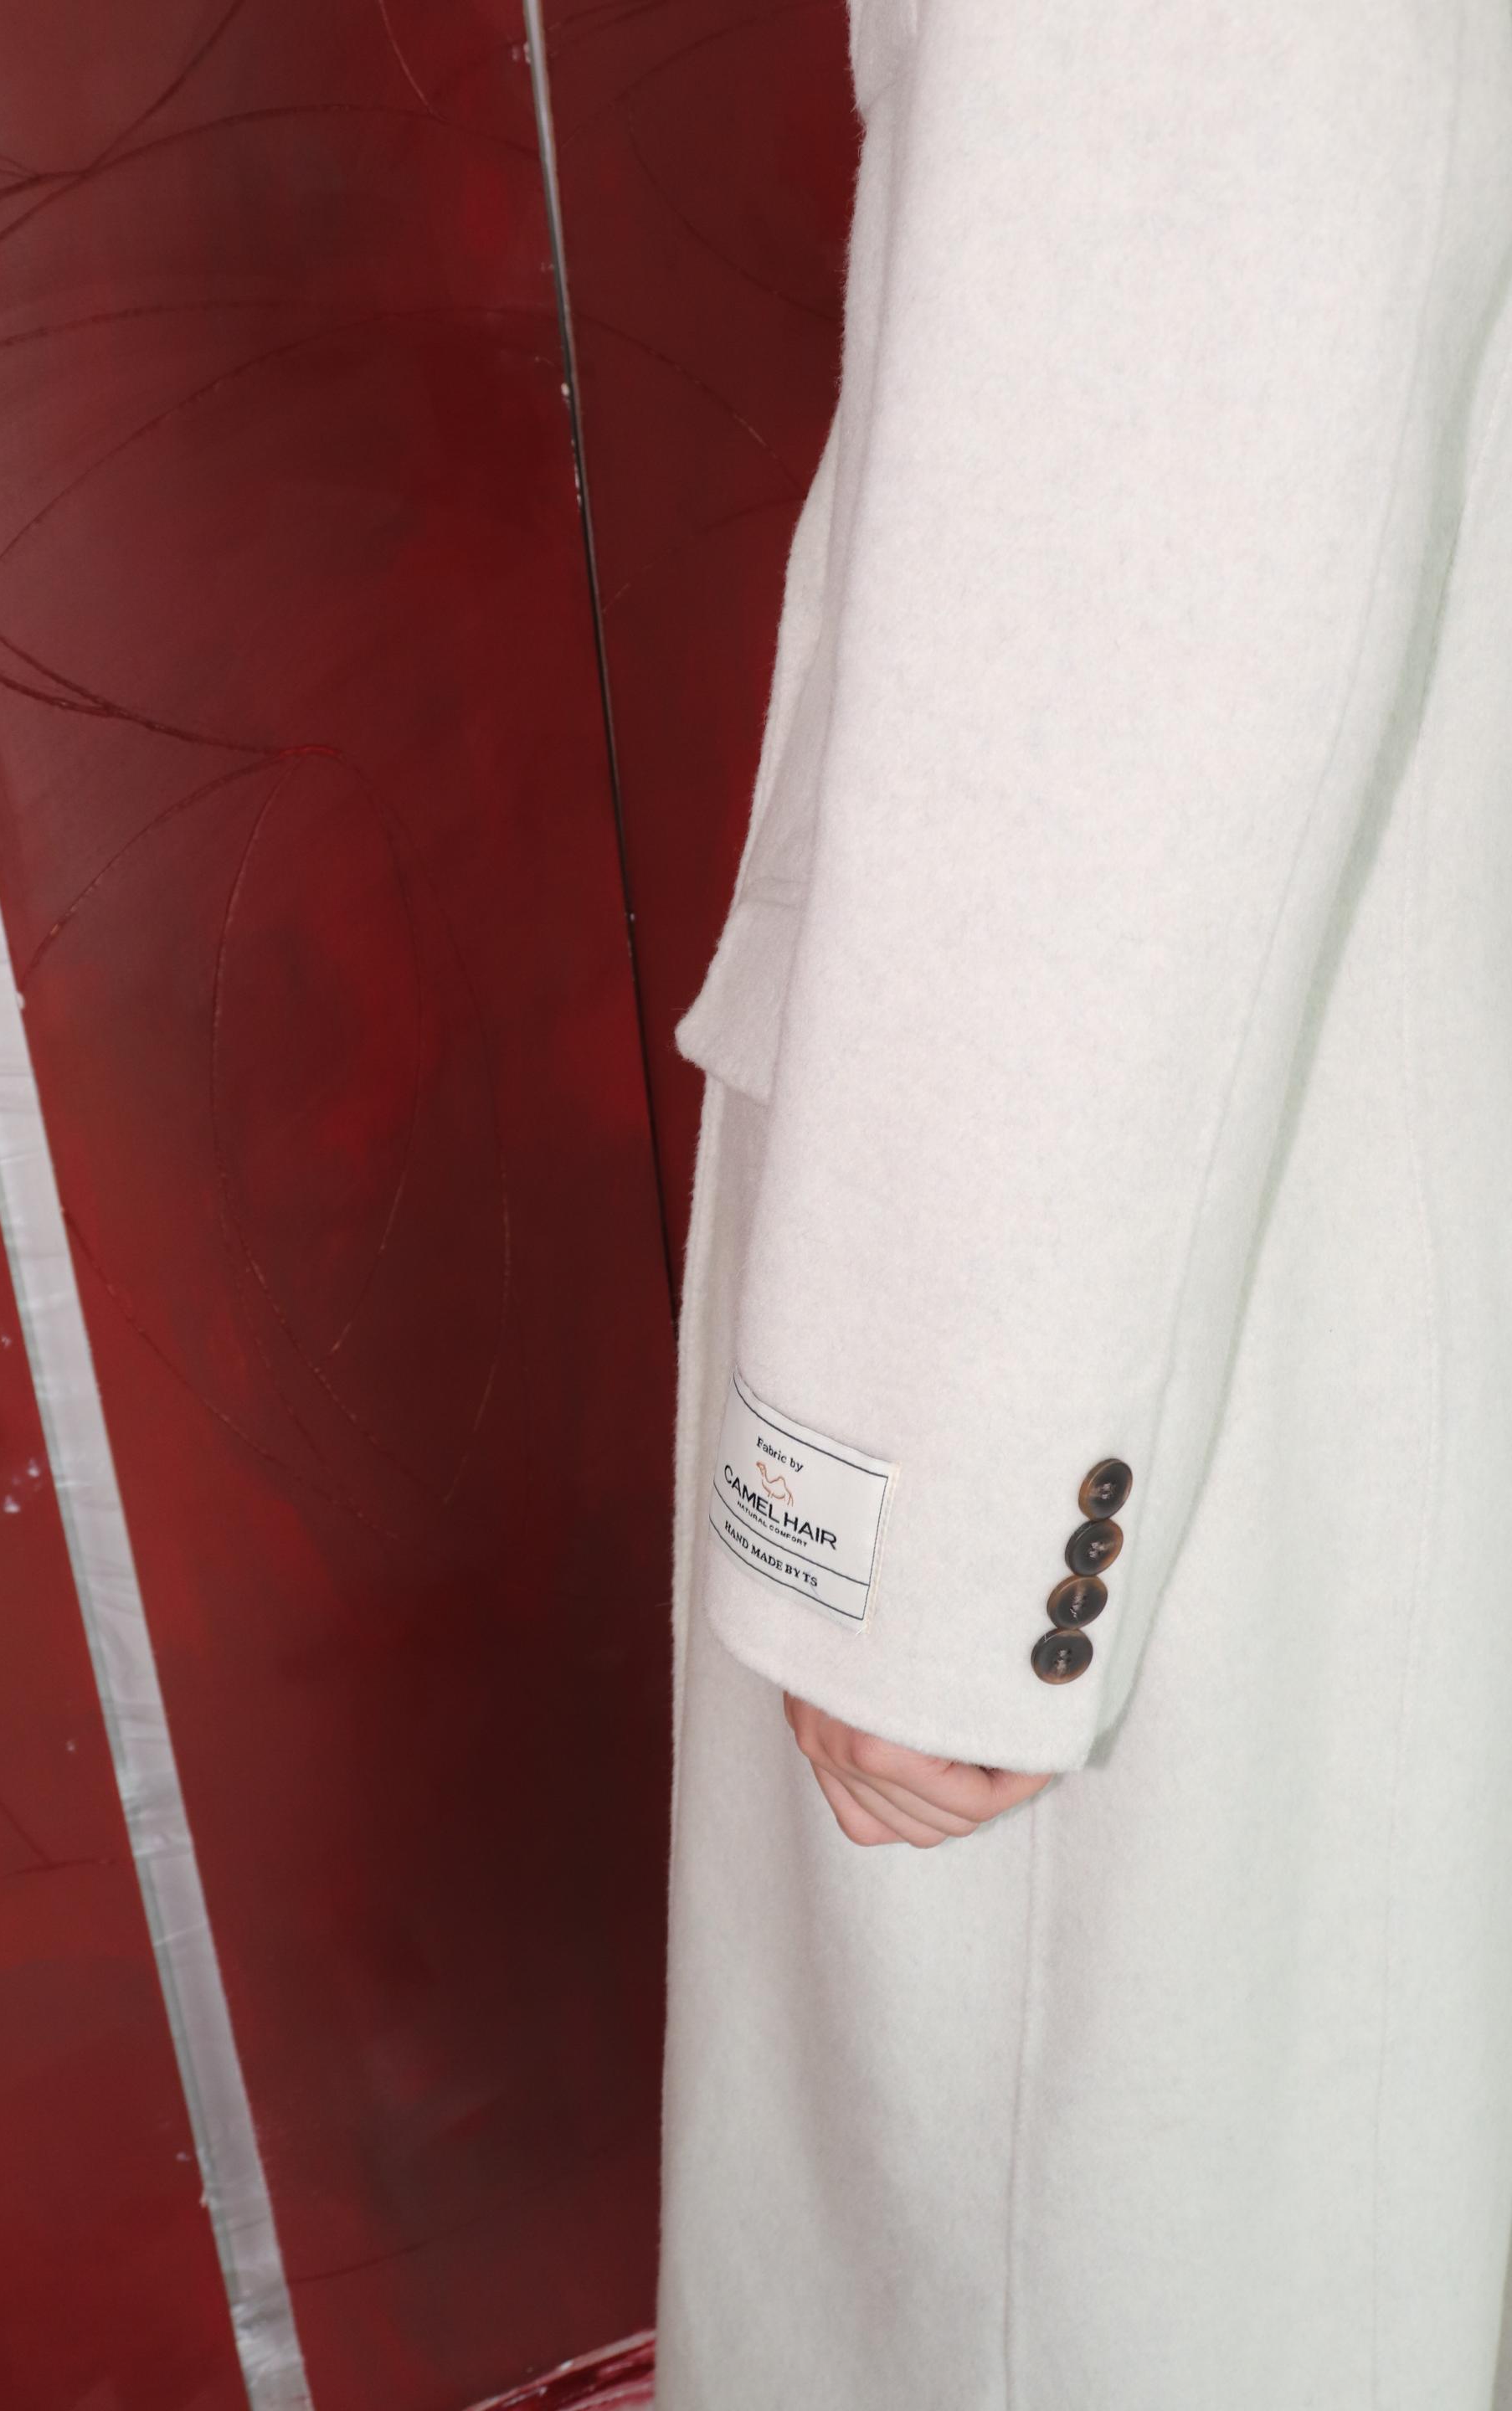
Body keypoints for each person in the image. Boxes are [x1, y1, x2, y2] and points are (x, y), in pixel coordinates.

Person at [651, 0, 1512, 2403]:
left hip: (1134, 1267)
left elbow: (1129, 517)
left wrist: (929, 1553)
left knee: (1059, 2264)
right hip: (1299, 1148)